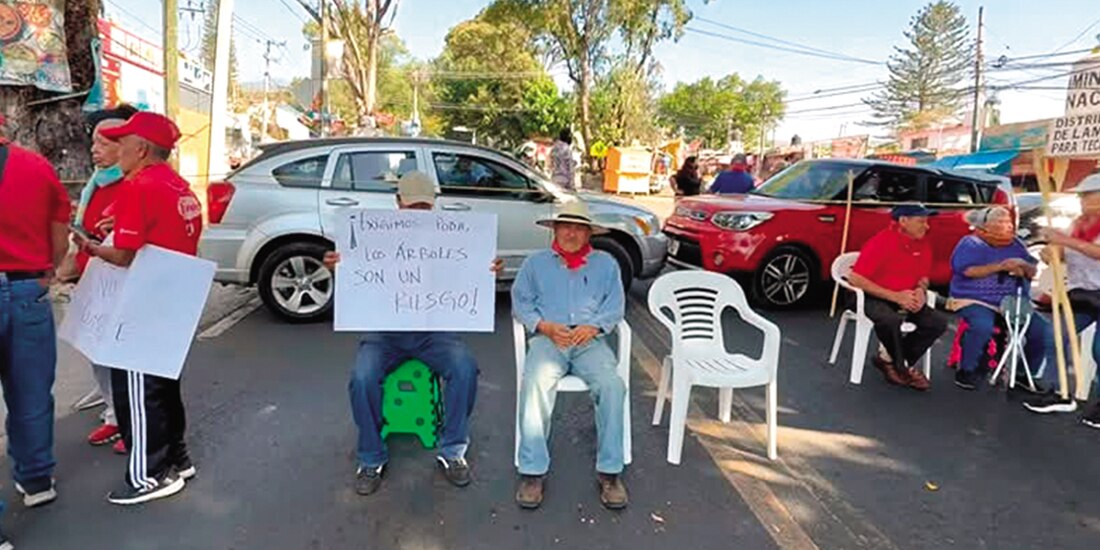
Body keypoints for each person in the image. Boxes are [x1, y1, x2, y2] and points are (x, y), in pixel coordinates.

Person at [323, 171, 503, 496]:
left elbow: (468, 274)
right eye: (413, 206)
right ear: (398, 203)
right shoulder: (375, 236)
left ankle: (453, 450)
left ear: (434, 204)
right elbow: (358, 281)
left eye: (425, 206)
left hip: (434, 331)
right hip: (385, 333)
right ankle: (371, 457)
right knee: (362, 377)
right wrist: (340, 267)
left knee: (464, 368)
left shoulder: (451, 236)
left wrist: (487, 269)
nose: (419, 212)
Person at [75, 112, 203, 505]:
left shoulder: (139, 185)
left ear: (142, 149)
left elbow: (124, 255)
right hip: (174, 296)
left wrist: (92, 248)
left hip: (144, 300)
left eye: (123, 141)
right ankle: (177, 458)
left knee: (138, 390)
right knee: (163, 386)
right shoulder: (178, 185)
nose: (118, 150)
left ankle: (150, 475)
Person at [511, 201, 628, 510]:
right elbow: (521, 303)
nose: (571, 233)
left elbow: (615, 305)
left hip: (589, 340)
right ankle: (533, 472)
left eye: (578, 228)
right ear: (555, 230)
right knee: (535, 382)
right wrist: (544, 326)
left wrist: (595, 326)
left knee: (612, 386)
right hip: (549, 339)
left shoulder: (606, 264)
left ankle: (610, 472)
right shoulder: (535, 264)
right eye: (566, 227)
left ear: (589, 234)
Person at [0, 126, 70, 547]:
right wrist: (47, 269)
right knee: (30, 391)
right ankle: (37, 479)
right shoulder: (36, 166)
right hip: (28, 289)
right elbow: (60, 231)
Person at [72, 104, 140, 454]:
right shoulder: (95, 185)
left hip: (125, 282)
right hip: (93, 279)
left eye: (104, 142)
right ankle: (114, 413)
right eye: (94, 142)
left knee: (125, 358)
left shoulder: (136, 184)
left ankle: (132, 422)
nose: (94, 149)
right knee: (97, 352)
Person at [948, 206, 1053, 391]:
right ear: (985, 227)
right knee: (982, 326)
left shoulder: (1016, 244)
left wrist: (1023, 266)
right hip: (975, 298)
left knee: (1042, 331)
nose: (1009, 226)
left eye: (1009, 221)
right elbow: (967, 270)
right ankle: (967, 369)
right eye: (1001, 222)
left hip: (1012, 300)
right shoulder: (970, 243)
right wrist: (1001, 266)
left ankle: (1023, 374)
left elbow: (1032, 271)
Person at [1024, 173, 1100, 424]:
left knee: (1099, 350)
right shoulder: (1079, 224)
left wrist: (1064, 240)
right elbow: (1066, 252)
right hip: (1082, 293)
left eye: (1086, 196)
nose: (1081, 200)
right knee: (1055, 335)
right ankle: (1059, 392)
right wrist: (1052, 252)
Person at [847, 204, 949, 391]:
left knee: (937, 322)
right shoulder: (881, 242)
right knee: (890, 320)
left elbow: (923, 277)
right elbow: (856, 279)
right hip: (872, 294)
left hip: (905, 295)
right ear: (903, 221)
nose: (926, 226)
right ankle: (903, 368)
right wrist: (894, 296)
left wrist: (920, 290)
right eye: (921, 221)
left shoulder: (923, 244)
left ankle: (889, 361)